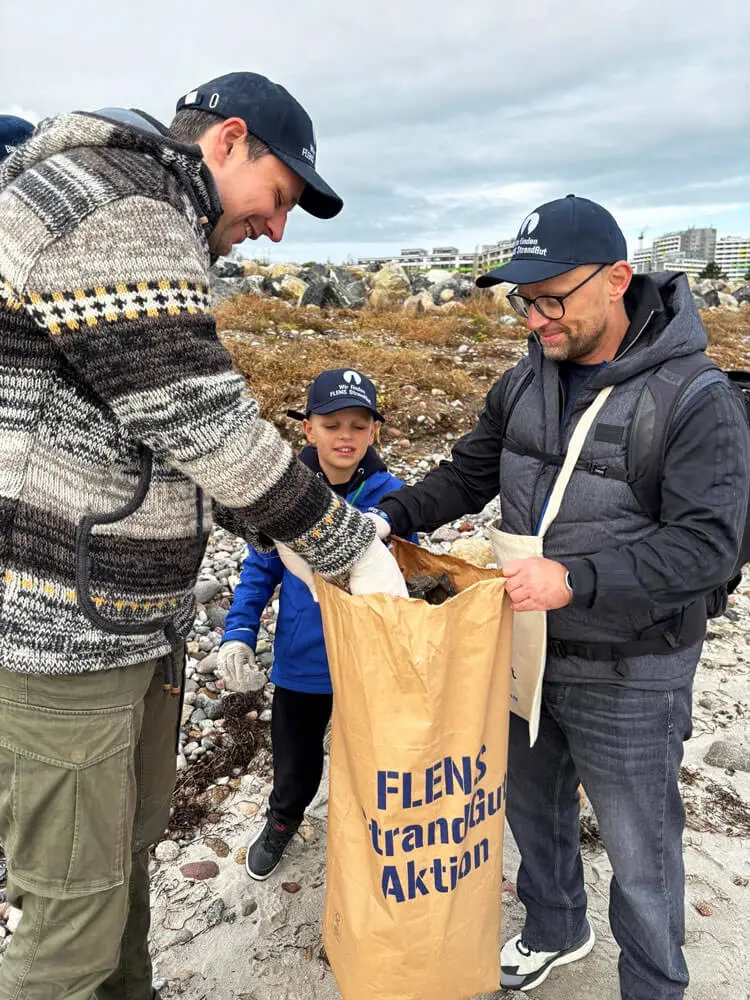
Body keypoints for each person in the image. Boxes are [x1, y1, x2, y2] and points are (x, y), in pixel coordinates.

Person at [0, 73, 405, 1000]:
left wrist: (279, 530)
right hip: (60, 636)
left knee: (117, 872)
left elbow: (156, 433)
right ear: (227, 142)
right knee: (70, 917)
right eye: (279, 198)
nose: (277, 228)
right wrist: (345, 545)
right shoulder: (117, 204)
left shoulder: (149, 212)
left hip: (120, 625)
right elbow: (203, 424)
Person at [367, 195, 750, 999]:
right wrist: (387, 515)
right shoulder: (523, 381)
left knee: (640, 846)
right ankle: (555, 926)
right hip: (526, 648)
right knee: (531, 808)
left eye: (553, 297)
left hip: (634, 667)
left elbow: (707, 547)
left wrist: (577, 581)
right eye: (524, 299)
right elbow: (470, 473)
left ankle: (654, 985)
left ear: (617, 279)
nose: (536, 317)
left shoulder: (695, 396)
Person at [217, 369, 417, 879]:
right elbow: (259, 571)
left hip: (374, 664)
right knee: (295, 764)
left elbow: (420, 572)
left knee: (379, 761)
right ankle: (283, 820)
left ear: (375, 431)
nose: (345, 436)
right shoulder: (282, 499)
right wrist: (238, 633)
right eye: (331, 424)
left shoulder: (394, 498)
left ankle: (378, 834)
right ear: (307, 429)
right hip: (303, 665)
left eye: (358, 424)